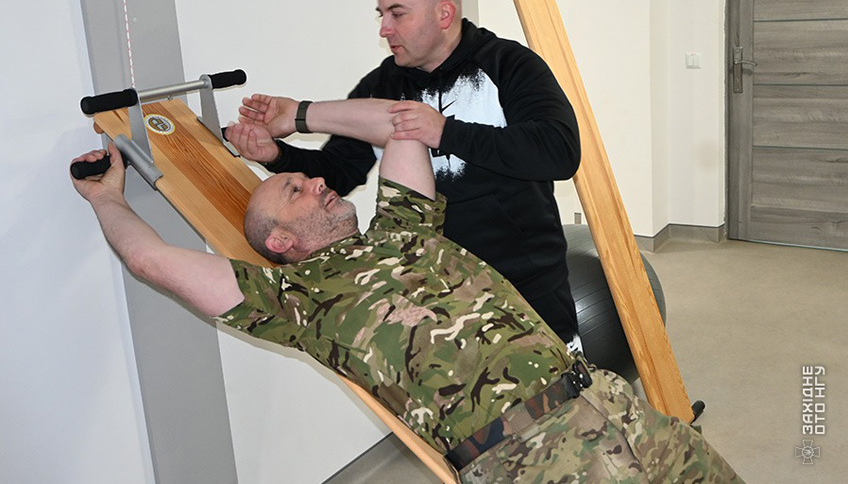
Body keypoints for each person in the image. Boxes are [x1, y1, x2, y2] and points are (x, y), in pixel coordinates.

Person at [74, 99, 744, 483]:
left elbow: (402, 124)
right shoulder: (293, 299)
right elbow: (151, 261)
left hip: (608, 398)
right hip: (534, 457)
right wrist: (107, 198)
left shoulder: (402, 227)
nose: (317, 181)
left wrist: (296, 117)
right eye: (295, 189)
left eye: (308, 178)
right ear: (279, 240)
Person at [226, 0, 584, 352]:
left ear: (444, 14)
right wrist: (276, 155)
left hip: (528, 291)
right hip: (436, 303)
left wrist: (444, 132)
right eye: (381, 14)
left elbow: (559, 150)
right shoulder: (381, 85)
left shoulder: (508, 64)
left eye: (397, 14)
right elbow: (339, 171)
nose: (384, 29)